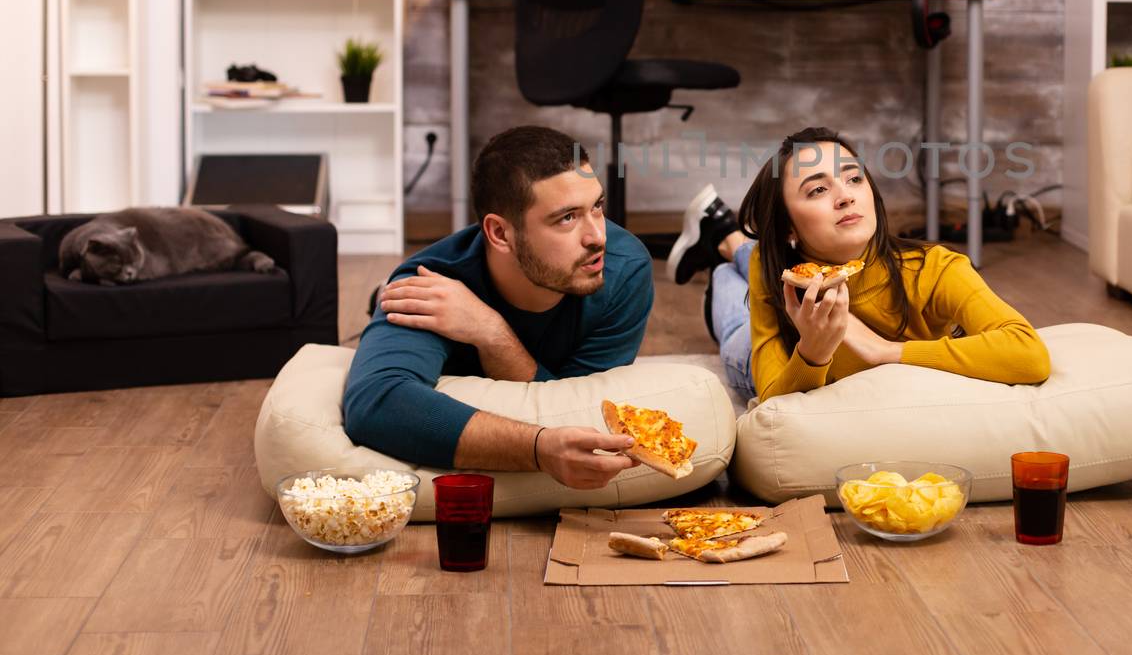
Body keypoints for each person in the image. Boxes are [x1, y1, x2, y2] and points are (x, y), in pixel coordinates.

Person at [342, 125, 649, 488]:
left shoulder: (623, 268)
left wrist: (491, 332)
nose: (597, 237)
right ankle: (381, 303)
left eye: (596, 206)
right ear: (500, 233)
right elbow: (375, 404)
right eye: (566, 218)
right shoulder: (434, 282)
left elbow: (570, 413)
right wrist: (537, 449)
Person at [667, 126, 1051, 403]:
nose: (845, 196)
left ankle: (724, 239)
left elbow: (1029, 353)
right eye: (818, 189)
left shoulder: (935, 268)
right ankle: (725, 254)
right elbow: (772, 406)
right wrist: (813, 351)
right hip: (753, 353)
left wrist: (886, 350)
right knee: (735, 314)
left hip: (786, 255)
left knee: (751, 258)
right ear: (787, 228)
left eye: (854, 178)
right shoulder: (778, 275)